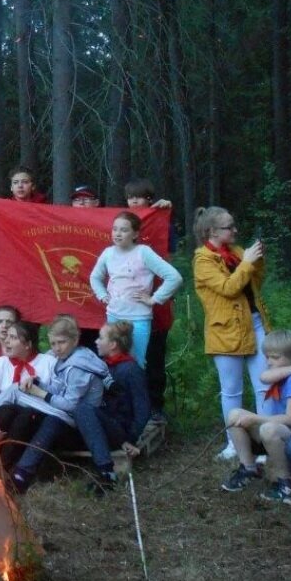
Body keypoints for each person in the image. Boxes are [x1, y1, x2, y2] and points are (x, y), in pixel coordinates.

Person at [0, 315, 111, 493]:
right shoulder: (66, 359)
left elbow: (71, 405)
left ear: (75, 339)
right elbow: (59, 388)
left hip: (89, 427)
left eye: (61, 342)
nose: (56, 348)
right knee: (46, 414)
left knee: (21, 395)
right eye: (53, 343)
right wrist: (38, 383)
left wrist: (41, 393)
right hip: (69, 421)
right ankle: (21, 474)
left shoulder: (78, 367)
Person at [192, 206, 271, 460]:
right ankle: (233, 444)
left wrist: (257, 262)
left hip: (255, 324)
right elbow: (228, 288)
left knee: (264, 386)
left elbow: (254, 284)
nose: (235, 230)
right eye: (229, 227)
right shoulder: (202, 260)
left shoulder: (236, 253)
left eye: (234, 225)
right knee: (231, 390)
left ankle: (269, 441)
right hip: (225, 332)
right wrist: (247, 263)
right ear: (212, 231)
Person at [89, 211, 182, 367]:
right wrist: (102, 295)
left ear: (135, 234)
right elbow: (95, 277)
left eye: (124, 230)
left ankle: (136, 391)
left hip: (138, 318)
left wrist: (154, 299)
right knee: (112, 360)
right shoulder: (108, 253)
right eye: (115, 229)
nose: (118, 234)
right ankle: (117, 391)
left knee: (136, 362)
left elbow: (174, 277)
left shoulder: (143, 252)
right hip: (114, 316)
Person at [220, 330, 291, 505]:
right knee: (234, 414)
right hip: (283, 433)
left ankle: (285, 482)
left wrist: (256, 419)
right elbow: (264, 377)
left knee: (268, 428)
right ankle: (249, 468)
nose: (269, 362)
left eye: (275, 357)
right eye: (267, 357)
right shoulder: (285, 373)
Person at [73, 322, 151, 493]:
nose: (96, 342)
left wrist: (130, 438)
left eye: (101, 338)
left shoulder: (131, 370)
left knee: (83, 408)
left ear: (113, 344)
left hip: (119, 429)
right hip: (100, 426)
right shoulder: (101, 366)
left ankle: (107, 473)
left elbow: (143, 409)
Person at [125, 178, 175, 422]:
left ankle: (156, 406)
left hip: (154, 304)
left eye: (140, 197)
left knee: (154, 357)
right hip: (126, 306)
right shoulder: (119, 225)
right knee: (127, 358)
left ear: (149, 199)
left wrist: (163, 215)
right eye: (130, 197)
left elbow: (171, 260)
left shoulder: (158, 220)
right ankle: (132, 407)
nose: (134, 201)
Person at [0, 321, 57, 471]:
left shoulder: (48, 362)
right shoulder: (0, 363)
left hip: (36, 416)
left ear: (27, 345)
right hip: (3, 417)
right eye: (6, 337)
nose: (6, 341)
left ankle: (4, 467)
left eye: (13, 337)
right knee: (6, 410)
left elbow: (54, 393)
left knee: (26, 415)